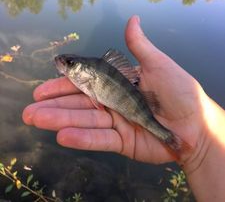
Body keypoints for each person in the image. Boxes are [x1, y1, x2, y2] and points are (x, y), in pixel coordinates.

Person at [23, 16, 225, 202]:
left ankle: (171, 139)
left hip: (138, 112)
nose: (64, 63)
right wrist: (201, 150)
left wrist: (202, 148)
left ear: (86, 71)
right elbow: (96, 97)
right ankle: (181, 145)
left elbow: (96, 97)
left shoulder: (94, 75)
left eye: (70, 63)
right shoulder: (88, 75)